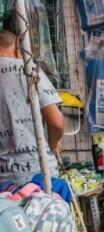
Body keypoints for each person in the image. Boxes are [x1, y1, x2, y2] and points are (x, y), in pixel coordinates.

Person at [0, 30, 64, 185]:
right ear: (17, 46)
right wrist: (54, 143)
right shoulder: (29, 69)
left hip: (4, 180)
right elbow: (57, 123)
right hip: (41, 173)